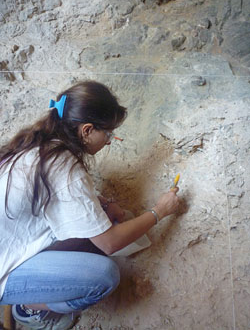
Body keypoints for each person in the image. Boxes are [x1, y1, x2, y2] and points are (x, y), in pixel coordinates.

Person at [0, 80, 180, 330]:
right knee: (104, 277)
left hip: (10, 241)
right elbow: (110, 242)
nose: (109, 141)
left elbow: (62, 193)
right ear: (86, 130)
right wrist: (159, 211)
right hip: (4, 267)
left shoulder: (43, 143)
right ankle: (29, 307)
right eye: (107, 134)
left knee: (101, 224)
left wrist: (102, 203)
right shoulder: (64, 167)